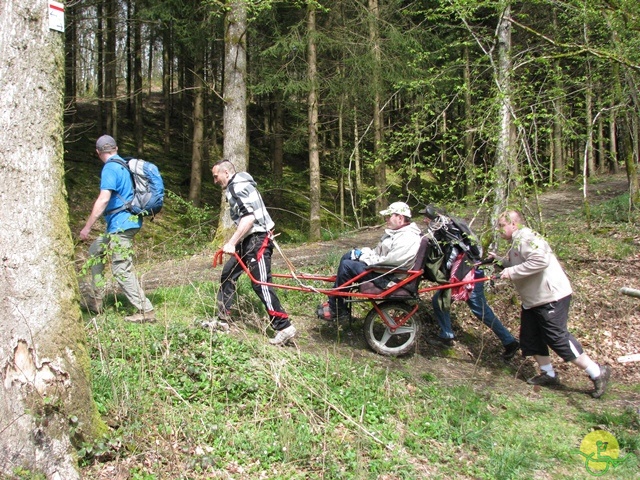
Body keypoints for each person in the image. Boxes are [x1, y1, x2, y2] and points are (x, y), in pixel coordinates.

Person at [490, 210, 611, 398]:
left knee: (557, 338)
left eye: (501, 226)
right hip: (533, 299)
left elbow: (540, 260)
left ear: (513, 224)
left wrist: (512, 272)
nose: (499, 230)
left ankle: (597, 372)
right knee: (530, 338)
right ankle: (548, 374)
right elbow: (521, 263)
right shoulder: (516, 240)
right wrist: (500, 262)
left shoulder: (527, 238)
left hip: (551, 296)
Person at [212, 159, 296, 346]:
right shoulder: (241, 185)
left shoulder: (236, 187)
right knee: (228, 274)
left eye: (216, 176)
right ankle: (222, 319)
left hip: (257, 239)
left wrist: (232, 243)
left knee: (260, 284)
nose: (215, 180)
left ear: (226, 173)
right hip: (249, 239)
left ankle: (284, 326)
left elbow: (249, 218)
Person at [421, 206, 520, 360]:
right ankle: (446, 335)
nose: (424, 220)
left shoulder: (447, 229)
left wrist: (447, 273)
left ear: (434, 217)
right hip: (461, 273)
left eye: (426, 217)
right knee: (439, 300)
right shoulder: (445, 229)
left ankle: (510, 342)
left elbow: (453, 254)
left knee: (481, 311)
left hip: (467, 274)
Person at [79, 135, 155, 323]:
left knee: (121, 268)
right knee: (95, 250)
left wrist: (87, 227)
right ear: (116, 148)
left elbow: (104, 199)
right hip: (122, 223)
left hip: (122, 224)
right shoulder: (123, 165)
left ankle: (145, 310)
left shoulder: (111, 168)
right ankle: (97, 300)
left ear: (98, 152)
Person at [317, 202, 422, 321]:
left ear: (400, 218)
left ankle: (338, 309)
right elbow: (380, 254)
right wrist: (362, 253)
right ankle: (337, 304)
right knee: (348, 256)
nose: (386, 219)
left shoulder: (407, 238)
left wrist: (363, 258)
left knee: (347, 266)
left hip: (389, 277)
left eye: (389, 216)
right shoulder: (398, 233)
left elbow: (389, 262)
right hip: (383, 271)